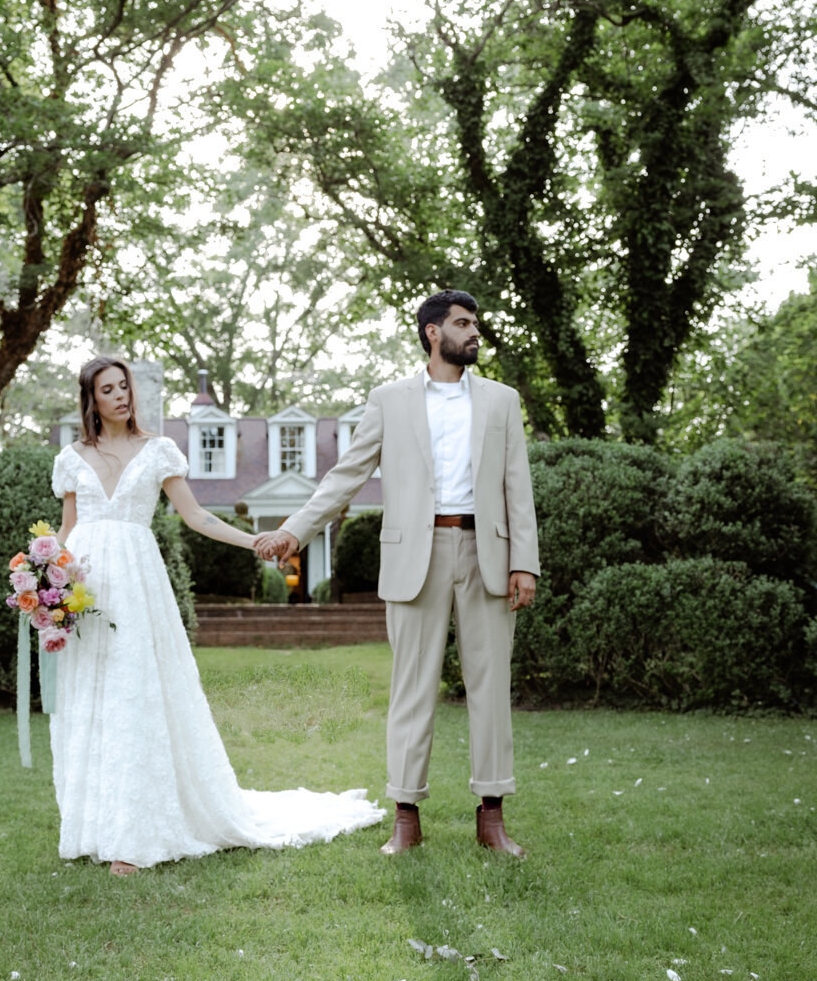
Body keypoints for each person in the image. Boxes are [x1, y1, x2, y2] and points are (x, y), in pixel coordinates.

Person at [49, 355, 384, 874]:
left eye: (124, 386)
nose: (120, 395)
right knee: (93, 698)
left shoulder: (158, 449)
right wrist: (47, 581)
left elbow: (197, 515)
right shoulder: (72, 457)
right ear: (90, 400)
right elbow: (67, 529)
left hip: (138, 584)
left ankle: (133, 839)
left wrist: (256, 540)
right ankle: (97, 824)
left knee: (136, 695)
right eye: (107, 389)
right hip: (86, 587)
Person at [257, 291, 539, 858]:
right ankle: (405, 816)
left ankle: (492, 818)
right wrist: (294, 530)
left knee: (491, 692)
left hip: (487, 552)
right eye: (463, 324)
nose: (474, 333)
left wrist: (524, 562)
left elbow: (517, 485)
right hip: (415, 555)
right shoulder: (390, 400)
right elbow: (347, 474)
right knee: (411, 690)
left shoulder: (502, 401)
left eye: (475, 324)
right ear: (434, 333)